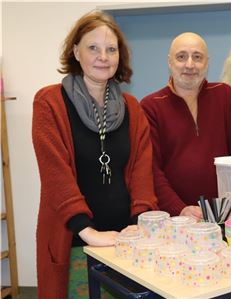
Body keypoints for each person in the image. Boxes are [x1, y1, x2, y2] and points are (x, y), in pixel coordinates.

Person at [32, 10, 158, 298]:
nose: (103, 56)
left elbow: (142, 172)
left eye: (111, 49)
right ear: (76, 51)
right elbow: (55, 175)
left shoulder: (132, 107)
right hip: (76, 239)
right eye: (93, 48)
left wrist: (139, 225)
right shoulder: (49, 102)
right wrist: (89, 233)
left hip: (126, 241)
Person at [140, 32, 231, 219]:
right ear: (170, 62)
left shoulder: (224, 96)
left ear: (207, 63)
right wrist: (180, 209)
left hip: (228, 215)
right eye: (181, 57)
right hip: (175, 220)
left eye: (197, 57)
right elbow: (151, 170)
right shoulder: (151, 106)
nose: (190, 64)